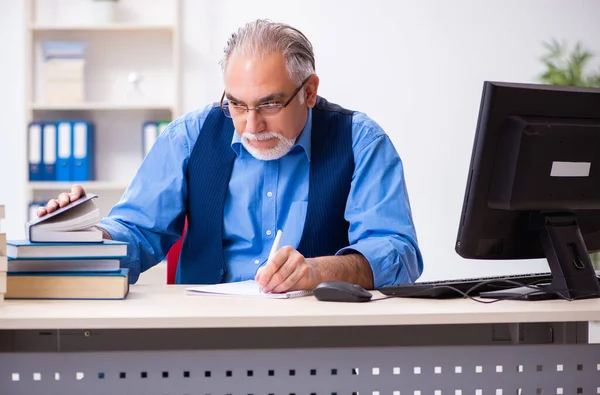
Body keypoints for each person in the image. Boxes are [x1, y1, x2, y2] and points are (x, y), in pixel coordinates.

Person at [38, 19, 423, 293]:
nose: (251, 125)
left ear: (308, 91)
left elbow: (397, 251)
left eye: (269, 104)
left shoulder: (360, 141)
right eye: (236, 105)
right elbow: (138, 230)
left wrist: (319, 271)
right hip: (202, 348)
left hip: (321, 345)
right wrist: (86, 238)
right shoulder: (190, 136)